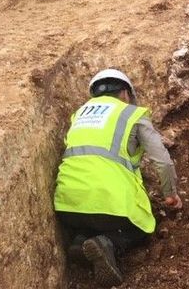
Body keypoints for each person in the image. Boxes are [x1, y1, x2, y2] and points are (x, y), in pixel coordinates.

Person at [54, 68, 182, 287]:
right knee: (142, 226)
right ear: (124, 93)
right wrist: (170, 194)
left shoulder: (78, 115)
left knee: (93, 217)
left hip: (67, 206)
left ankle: (81, 241)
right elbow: (162, 160)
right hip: (108, 205)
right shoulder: (131, 113)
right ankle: (109, 243)